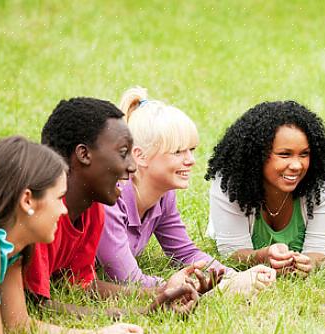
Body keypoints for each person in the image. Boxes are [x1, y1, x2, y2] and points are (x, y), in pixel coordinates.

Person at [24, 97, 213, 316]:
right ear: (84, 154)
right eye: (123, 153)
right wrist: (143, 312)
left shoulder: (93, 209)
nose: (132, 167)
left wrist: (164, 291)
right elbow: (34, 305)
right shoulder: (40, 213)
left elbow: (79, 285)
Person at [0, 136, 146, 334]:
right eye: (58, 198)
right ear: (27, 200)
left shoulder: (10, 249)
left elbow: (20, 327)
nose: (63, 210)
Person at [97, 87, 275, 296]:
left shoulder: (163, 196)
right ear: (140, 156)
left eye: (191, 150)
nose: (190, 160)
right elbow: (127, 279)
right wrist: (213, 288)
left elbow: (184, 251)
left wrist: (231, 275)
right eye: (178, 151)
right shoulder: (110, 198)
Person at [205, 100, 325, 275]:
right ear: (257, 156)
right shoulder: (231, 183)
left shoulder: (319, 182)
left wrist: (307, 265)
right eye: (284, 154)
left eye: (304, 154)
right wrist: (263, 257)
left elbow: (322, 250)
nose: (297, 165)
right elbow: (232, 253)